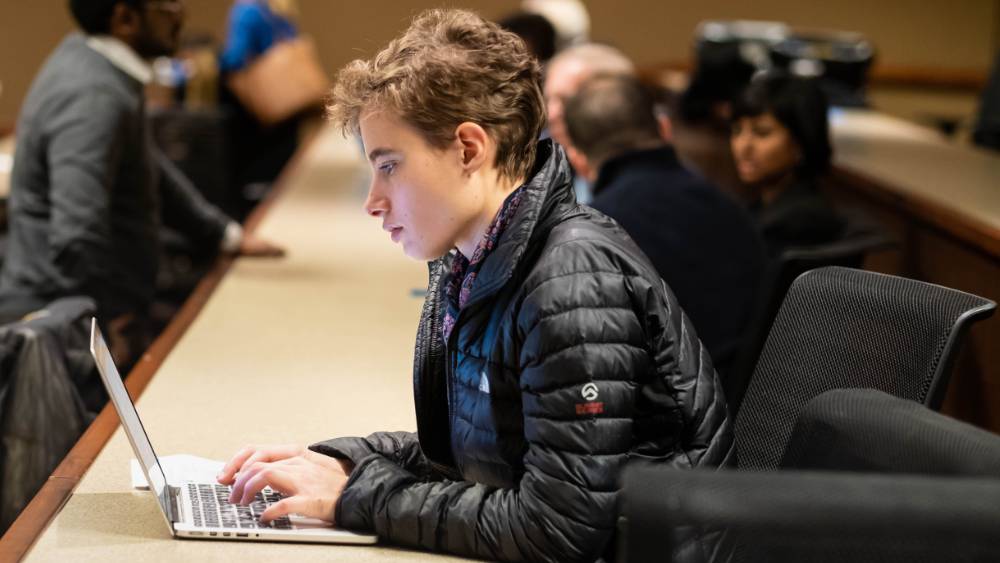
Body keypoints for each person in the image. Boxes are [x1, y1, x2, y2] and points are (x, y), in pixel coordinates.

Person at [217, 9, 731, 562]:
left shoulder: (570, 282)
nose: (373, 200)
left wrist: (354, 497)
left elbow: (557, 529)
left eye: (388, 165)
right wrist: (346, 461)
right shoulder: (480, 259)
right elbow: (481, 457)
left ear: (468, 148)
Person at [0, 0, 282, 355]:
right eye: (169, 4)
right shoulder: (93, 95)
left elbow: (148, 167)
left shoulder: (91, 59)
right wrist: (101, 325)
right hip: (63, 327)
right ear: (125, 18)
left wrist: (224, 235)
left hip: (89, 307)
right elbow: (77, 238)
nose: (182, 13)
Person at [564, 73, 765, 379]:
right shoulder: (733, 209)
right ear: (664, 128)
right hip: (745, 401)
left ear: (578, 160)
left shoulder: (588, 236)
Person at [730, 71, 845, 256]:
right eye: (737, 131)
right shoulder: (763, 206)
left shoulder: (801, 222)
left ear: (800, 144)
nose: (743, 146)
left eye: (762, 132)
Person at [543, 42, 633, 202]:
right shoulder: (540, 163)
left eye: (566, 101)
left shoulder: (637, 180)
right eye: (549, 100)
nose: (551, 114)